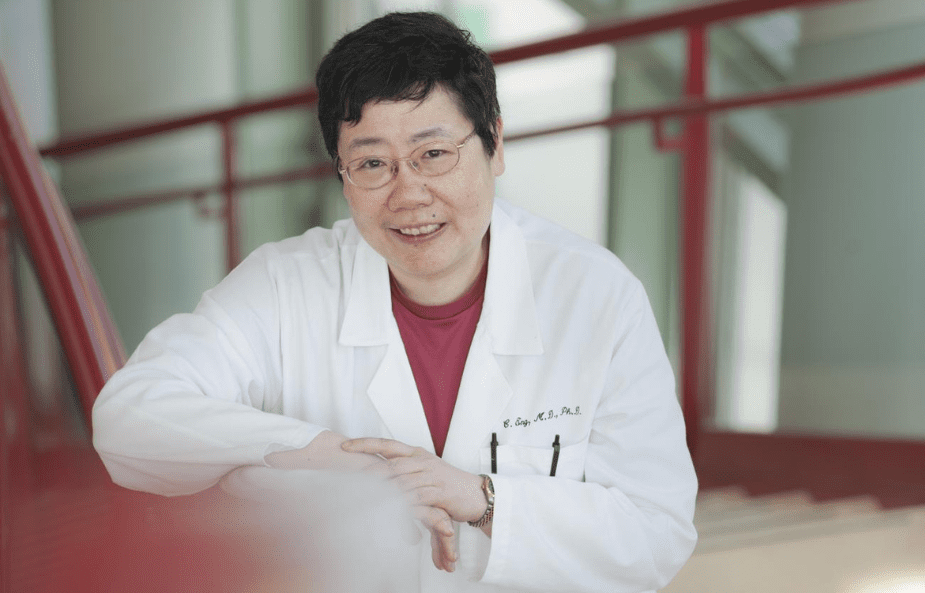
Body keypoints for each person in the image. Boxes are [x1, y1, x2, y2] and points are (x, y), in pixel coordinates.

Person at [92, 11, 698, 593]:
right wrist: (334, 460)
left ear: (495, 145)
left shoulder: (595, 296)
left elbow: (657, 533)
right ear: (341, 174)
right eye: (372, 163)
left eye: (434, 154)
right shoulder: (284, 284)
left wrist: (479, 498)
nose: (409, 194)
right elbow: (128, 421)